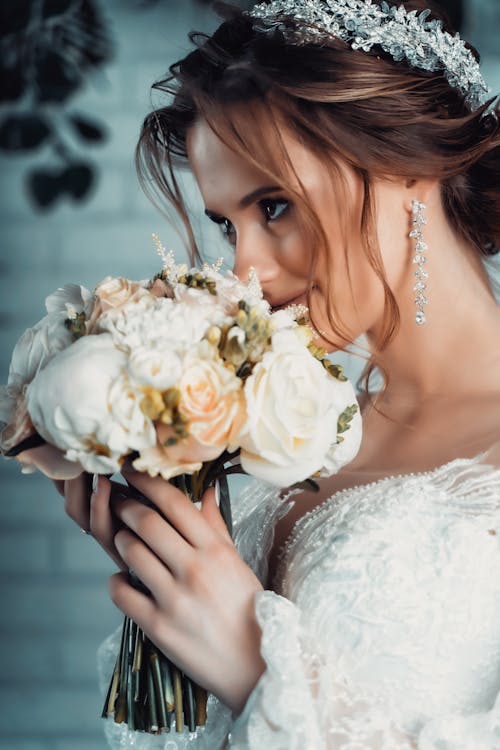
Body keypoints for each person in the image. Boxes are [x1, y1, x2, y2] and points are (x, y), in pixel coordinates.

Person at [63, 0, 500, 747]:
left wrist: (257, 663)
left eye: (275, 205)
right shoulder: (288, 436)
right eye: (228, 225)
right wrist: (169, 567)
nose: (245, 271)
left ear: (407, 170)